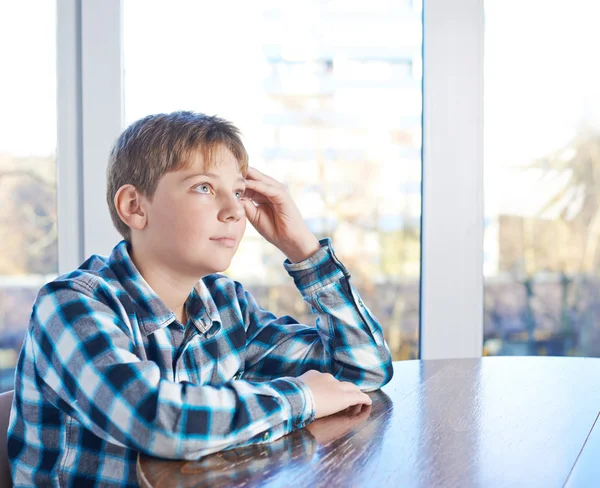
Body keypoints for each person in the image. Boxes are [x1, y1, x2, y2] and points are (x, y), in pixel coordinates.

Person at [8, 111, 393, 487]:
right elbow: (158, 422)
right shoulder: (71, 306)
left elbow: (361, 370)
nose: (233, 211)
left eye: (239, 192)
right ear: (134, 207)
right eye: (204, 188)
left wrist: (303, 250)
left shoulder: (226, 303)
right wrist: (303, 397)